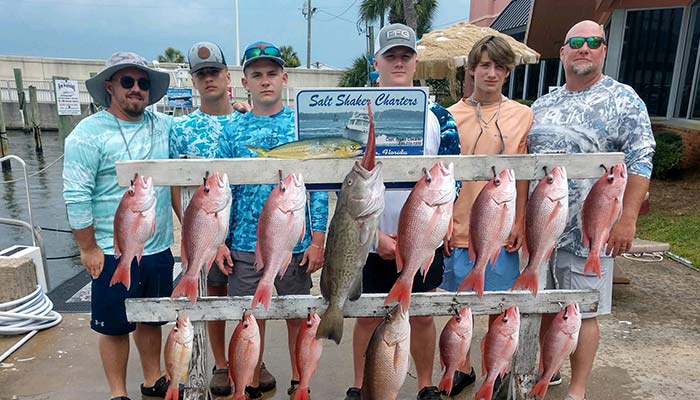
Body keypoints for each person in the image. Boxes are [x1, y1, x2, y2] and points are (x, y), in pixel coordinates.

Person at [527, 20, 655, 400]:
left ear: (603, 50)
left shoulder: (624, 99)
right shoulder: (543, 102)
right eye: (575, 42)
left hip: (590, 233)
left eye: (593, 43)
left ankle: (578, 388)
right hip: (541, 228)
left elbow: (642, 161)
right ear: (563, 51)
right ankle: (546, 370)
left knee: (582, 312)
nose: (584, 48)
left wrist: (627, 219)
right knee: (545, 303)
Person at [344, 23, 461, 400]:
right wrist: (373, 236)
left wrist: (442, 224)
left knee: (422, 314)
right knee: (367, 315)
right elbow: (342, 179)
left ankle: (425, 385)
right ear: (376, 61)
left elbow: (453, 175)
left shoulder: (438, 115)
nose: (398, 62)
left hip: (423, 233)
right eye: (390, 55)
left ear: (415, 62)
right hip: (371, 232)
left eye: (405, 56)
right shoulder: (356, 113)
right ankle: (363, 385)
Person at [214, 40, 329, 400]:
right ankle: (247, 383)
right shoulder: (231, 131)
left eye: (272, 73)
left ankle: (300, 381)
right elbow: (220, 191)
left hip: (294, 243)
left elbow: (319, 185)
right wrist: (220, 240)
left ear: (285, 78)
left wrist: (317, 238)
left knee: (298, 316)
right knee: (251, 318)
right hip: (246, 245)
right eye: (257, 74)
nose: (265, 81)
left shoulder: (303, 125)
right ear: (244, 82)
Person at [63, 52, 180, 400]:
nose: (136, 89)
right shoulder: (86, 134)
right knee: (113, 325)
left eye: (143, 83)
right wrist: (88, 248)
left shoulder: (164, 126)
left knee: (152, 318)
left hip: (157, 248)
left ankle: (152, 379)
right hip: (112, 250)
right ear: (109, 86)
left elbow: (199, 129)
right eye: (127, 82)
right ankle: (118, 393)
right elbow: (75, 194)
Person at [438, 35, 532, 396]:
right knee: (458, 305)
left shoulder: (522, 115)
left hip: (501, 229)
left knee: (500, 306)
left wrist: (521, 220)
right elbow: (441, 175)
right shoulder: (449, 115)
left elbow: (523, 175)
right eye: (485, 66)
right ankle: (460, 366)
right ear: (472, 70)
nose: (491, 73)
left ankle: (500, 365)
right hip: (459, 226)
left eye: (499, 67)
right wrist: (443, 220)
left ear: (507, 72)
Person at [168, 41, 245, 397]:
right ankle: (221, 363)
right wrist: (200, 235)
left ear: (227, 76)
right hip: (207, 228)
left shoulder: (246, 118)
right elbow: (177, 187)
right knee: (214, 293)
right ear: (194, 81)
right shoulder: (180, 129)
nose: (209, 78)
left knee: (248, 296)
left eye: (214, 71)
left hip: (247, 227)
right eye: (201, 74)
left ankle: (251, 359)